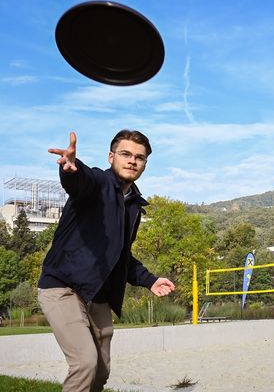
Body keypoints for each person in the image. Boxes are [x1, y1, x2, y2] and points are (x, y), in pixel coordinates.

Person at [38, 129, 175, 392]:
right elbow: (81, 180)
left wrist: (150, 280)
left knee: (101, 371)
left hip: (97, 293)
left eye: (140, 157)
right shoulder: (98, 183)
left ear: (145, 164)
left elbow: (121, 255)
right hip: (62, 286)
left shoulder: (133, 205)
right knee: (85, 363)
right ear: (111, 156)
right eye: (125, 154)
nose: (132, 161)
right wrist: (71, 168)